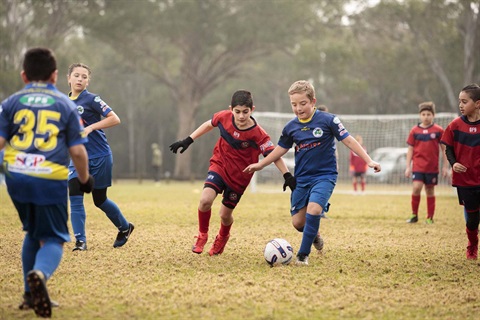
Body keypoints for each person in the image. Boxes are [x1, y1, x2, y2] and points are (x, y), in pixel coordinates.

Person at [244, 80, 381, 266]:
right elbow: (280, 150)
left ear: (313, 101)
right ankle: (314, 235)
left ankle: (302, 255)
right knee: (298, 223)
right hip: (302, 178)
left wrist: (369, 160)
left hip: (325, 176)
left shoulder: (329, 120)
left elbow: (349, 141)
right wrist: (261, 164)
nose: (298, 108)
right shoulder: (291, 127)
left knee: (314, 210)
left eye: (303, 103)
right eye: (294, 104)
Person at [0, 47, 94, 318]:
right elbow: (77, 152)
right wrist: (85, 180)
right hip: (49, 178)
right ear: (55, 76)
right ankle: (39, 275)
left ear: (23, 75)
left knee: (32, 231)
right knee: (53, 238)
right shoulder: (66, 105)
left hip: (16, 178)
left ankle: (29, 296)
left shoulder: (10, 102)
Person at [169, 90, 294, 256]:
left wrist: (287, 175)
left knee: (225, 215)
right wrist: (188, 140)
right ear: (231, 109)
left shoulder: (258, 134)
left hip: (240, 177)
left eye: (245, 112)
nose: (241, 116)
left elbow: (274, 155)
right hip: (220, 165)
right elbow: (208, 124)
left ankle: (223, 236)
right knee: (205, 200)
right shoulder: (223, 117)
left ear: (252, 109)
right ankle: (202, 235)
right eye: (237, 111)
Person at [67, 63, 134, 251]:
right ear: (69, 78)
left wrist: (91, 127)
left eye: (84, 77)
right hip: (77, 158)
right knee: (75, 196)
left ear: (88, 81)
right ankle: (80, 242)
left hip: (100, 156)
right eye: (77, 75)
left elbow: (115, 118)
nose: (80, 79)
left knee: (99, 200)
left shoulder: (92, 100)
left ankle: (125, 227)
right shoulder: (63, 103)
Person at [441, 83, 480, 260]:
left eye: (465, 101)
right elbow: (447, 147)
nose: (461, 105)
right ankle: (472, 245)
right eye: (459, 102)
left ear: (477, 103)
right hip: (466, 181)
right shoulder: (455, 125)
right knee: (472, 221)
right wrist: (453, 163)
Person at [405, 101, 449, 224]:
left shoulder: (439, 130)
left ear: (433, 115)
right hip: (418, 166)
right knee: (416, 187)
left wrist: (446, 166)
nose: (426, 116)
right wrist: (408, 166)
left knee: (430, 190)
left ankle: (430, 217)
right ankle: (414, 215)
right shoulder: (414, 131)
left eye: (428, 114)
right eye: (423, 114)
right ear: (420, 115)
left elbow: (444, 149)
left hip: (432, 168)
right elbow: (410, 149)